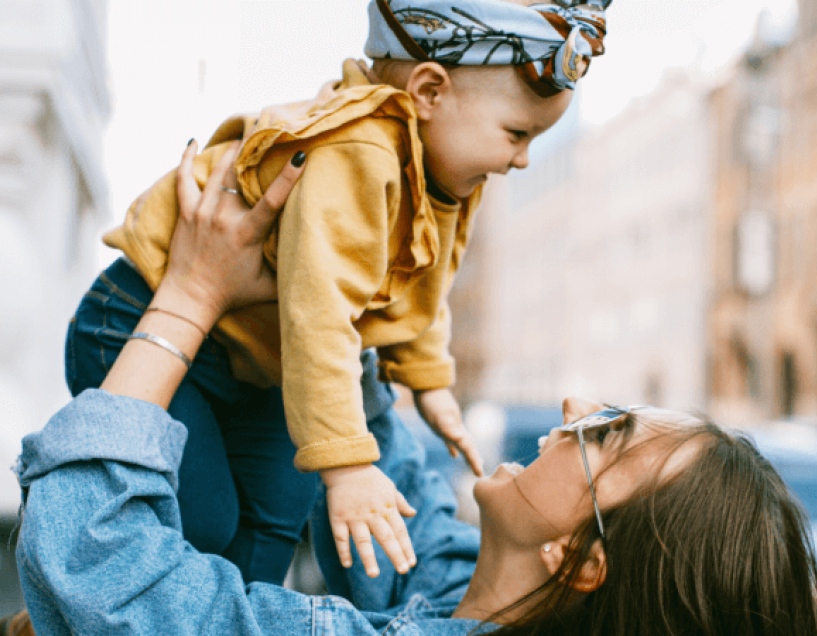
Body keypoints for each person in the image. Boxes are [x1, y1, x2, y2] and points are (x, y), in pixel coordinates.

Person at [15, 144, 817, 635]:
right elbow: (388, 482)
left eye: (610, 434)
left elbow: (99, 567)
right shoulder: (466, 591)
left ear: (578, 562)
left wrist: (190, 295)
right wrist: (334, 268)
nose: (580, 409)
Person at [65, 0, 612, 584]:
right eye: (517, 134)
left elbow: (416, 282)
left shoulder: (439, 170)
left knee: (276, 514)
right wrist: (349, 467)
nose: (523, 160)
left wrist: (429, 381)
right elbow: (320, 315)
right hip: (137, 321)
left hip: (259, 362)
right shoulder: (359, 152)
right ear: (429, 92)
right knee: (207, 521)